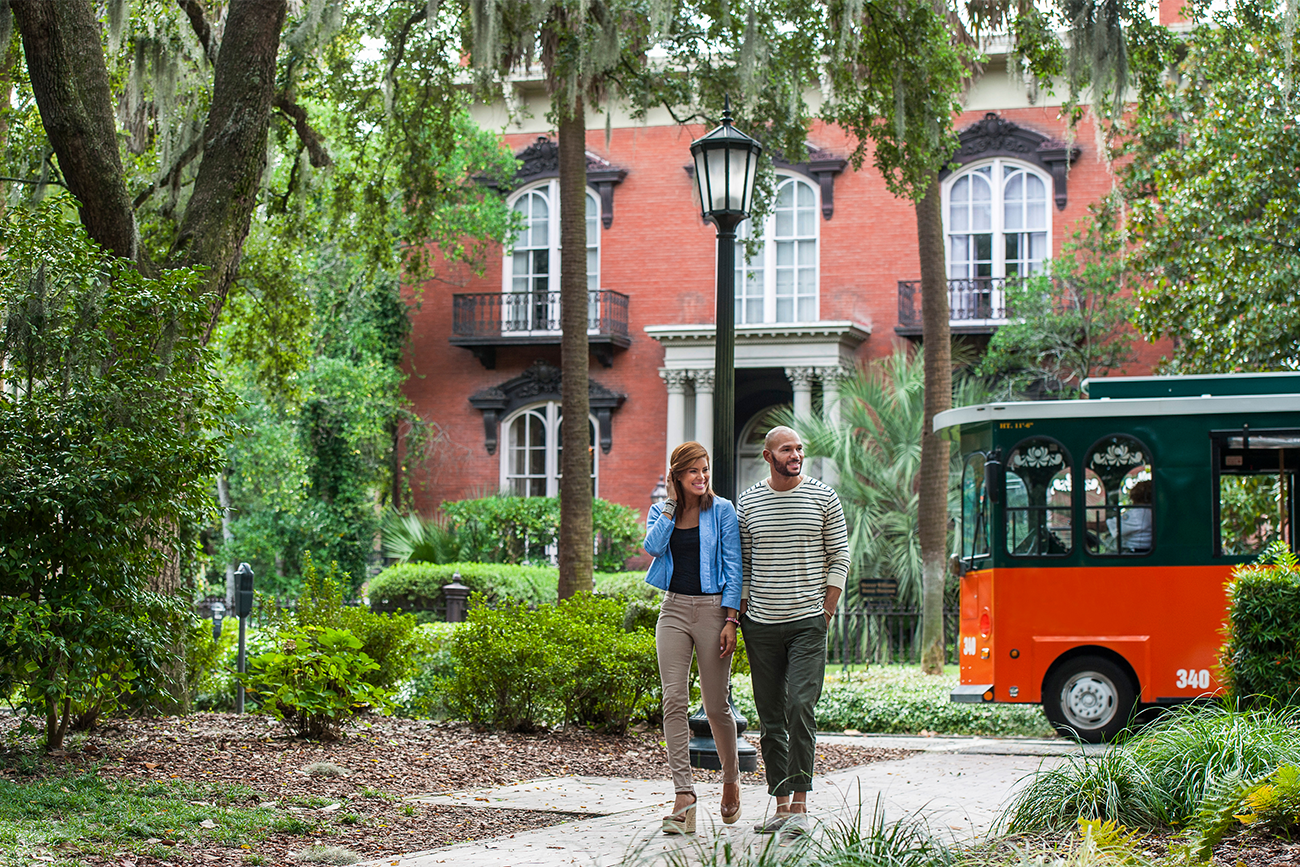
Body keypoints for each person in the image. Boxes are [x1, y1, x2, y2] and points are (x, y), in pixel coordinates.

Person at [737, 426, 850, 841]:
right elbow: (743, 565)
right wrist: (741, 614)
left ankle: (801, 805)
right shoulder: (748, 503)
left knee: (800, 706)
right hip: (761, 625)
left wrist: (828, 609)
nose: (796, 454)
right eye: (787, 449)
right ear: (769, 456)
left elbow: (840, 554)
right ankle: (781, 804)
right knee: (770, 717)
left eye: (800, 448)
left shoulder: (823, 497)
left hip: (807, 622)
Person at [643, 441, 743, 835]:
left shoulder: (722, 511)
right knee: (673, 699)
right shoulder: (661, 510)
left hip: (714, 610)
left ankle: (731, 779)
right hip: (673, 610)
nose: (701, 477)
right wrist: (670, 505)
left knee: (716, 705)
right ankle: (683, 796)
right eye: (693, 472)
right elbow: (652, 547)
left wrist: (731, 619)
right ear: (677, 476)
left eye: (705, 470)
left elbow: (734, 566)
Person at [1107, 478, 1153, 552]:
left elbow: (1109, 526)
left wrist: (1089, 525)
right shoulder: (1153, 511)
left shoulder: (1139, 513)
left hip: (1135, 552)